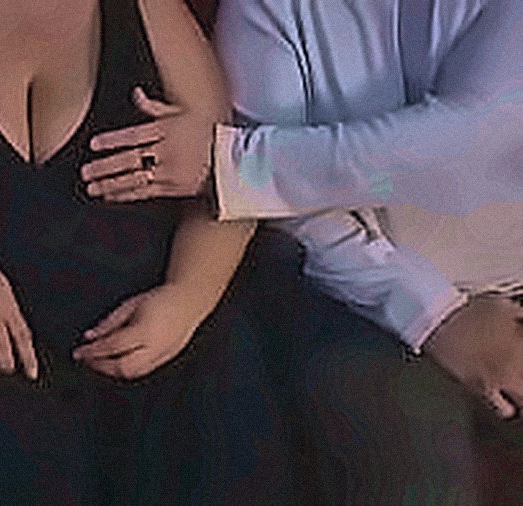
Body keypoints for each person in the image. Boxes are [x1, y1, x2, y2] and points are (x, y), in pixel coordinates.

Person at [0, 0, 297, 503]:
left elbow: (230, 174)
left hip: (145, 341)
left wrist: (186, 297)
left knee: (222, 395)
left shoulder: (151, 10)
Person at [80, 0, 523, 502]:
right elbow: (296, 214)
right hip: (358, 296)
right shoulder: (264, 15)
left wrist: (236, 167)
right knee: (411, 457)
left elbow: (465, 146)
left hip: (502, 287)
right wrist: (436, 316)